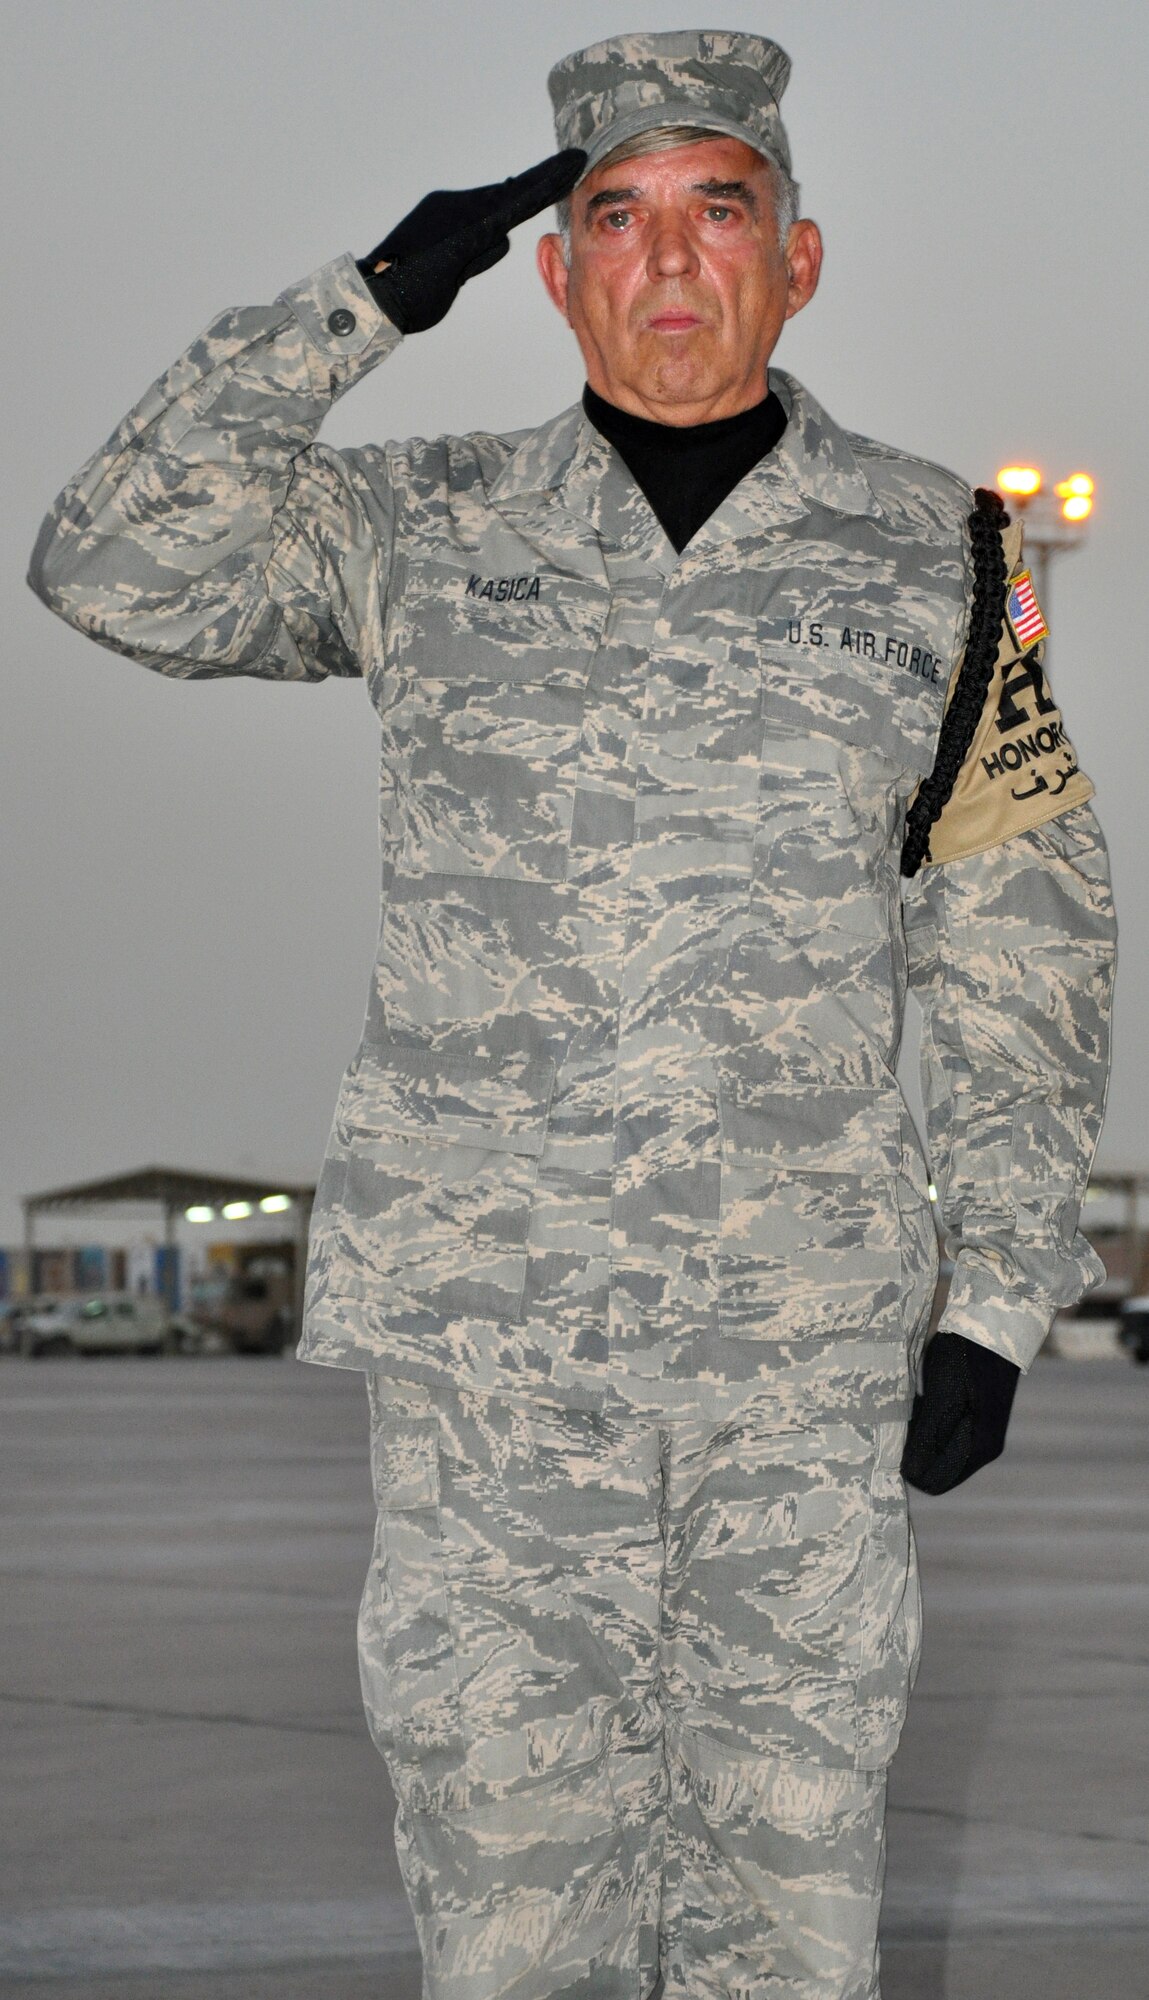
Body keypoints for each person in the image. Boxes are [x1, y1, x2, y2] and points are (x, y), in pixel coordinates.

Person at [28, 28, 1115, 2000]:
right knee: (507, 1906)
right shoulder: (418, 529)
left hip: (799, 1361)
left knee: (784, 1909)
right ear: (551, 273)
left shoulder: (942, 558)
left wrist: (990, 1296)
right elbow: (108, 565)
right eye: (610, 217)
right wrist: (354, 306)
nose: (667, 258)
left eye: (721, 209)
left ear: (799, 257)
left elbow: (1021, 945)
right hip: (490, 1366)